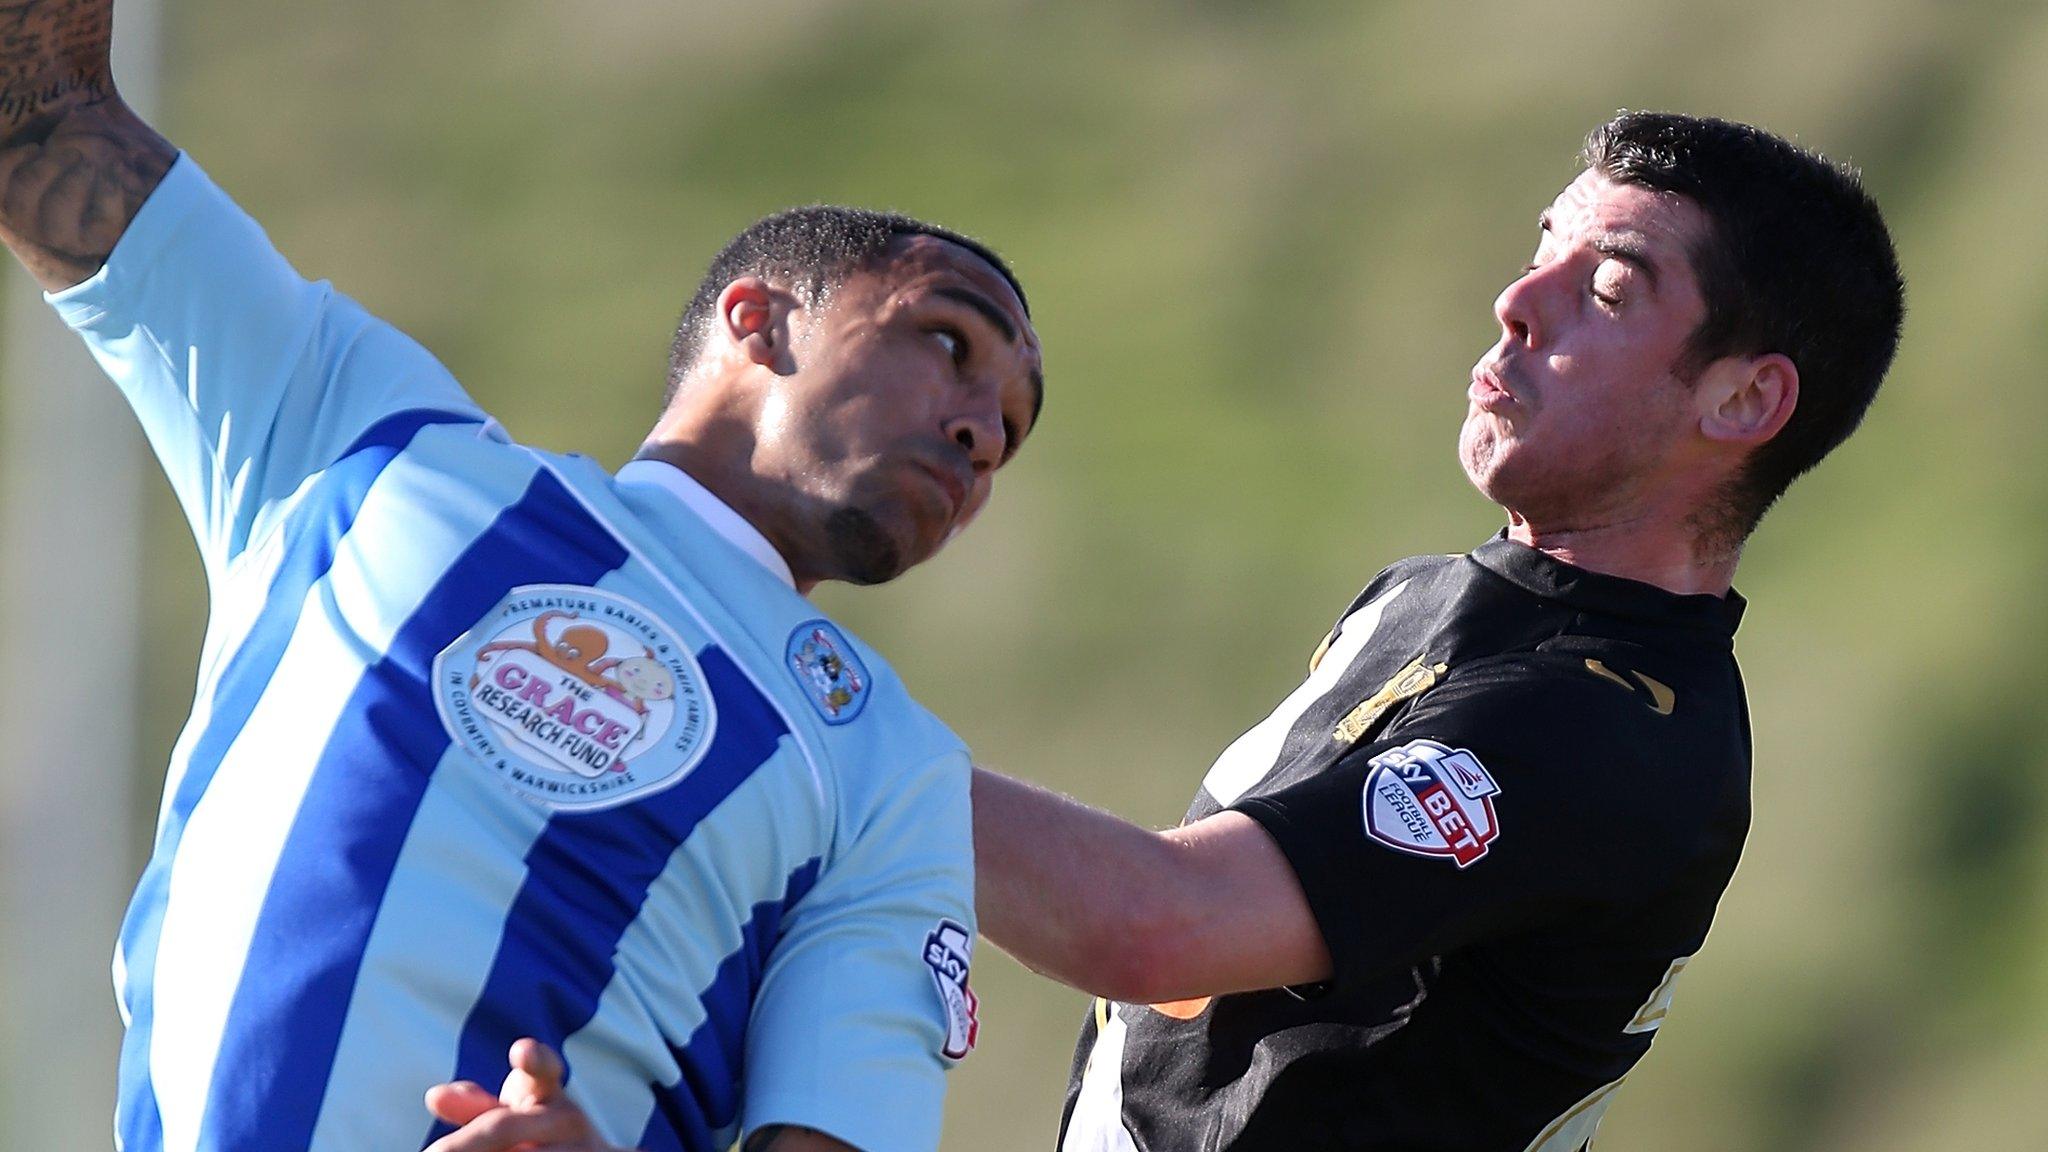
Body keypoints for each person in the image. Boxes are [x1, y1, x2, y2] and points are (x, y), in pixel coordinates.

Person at [0, 4, 1041, 1151]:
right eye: (949, 342)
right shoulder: (374, 439)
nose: (983, 431)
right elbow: (39, 121)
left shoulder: (893, 774)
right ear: (759, 320)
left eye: (1009, 424)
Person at [969, 111, 1904, 1150]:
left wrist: (831, 740)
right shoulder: (1425, 595)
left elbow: (1152, 928)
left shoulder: (1605, 733)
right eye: (1538, 253)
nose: (1515, 304)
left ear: (1741, 400)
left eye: (1604, 291)